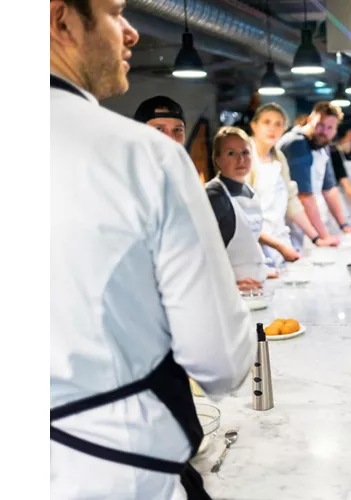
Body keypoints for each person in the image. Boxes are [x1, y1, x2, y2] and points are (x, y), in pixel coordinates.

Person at [50, 1, 254, 498]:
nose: (132, 32)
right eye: (115, 12)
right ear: (61, 20)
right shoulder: (142, 155)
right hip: (120, 471)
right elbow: (221, 361)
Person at [248, 103, 334, 269]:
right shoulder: (245, 157)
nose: (272, 128)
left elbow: (292, 201)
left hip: (281, 242)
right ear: (254, 125)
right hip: (254, 247)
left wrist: (316, 238)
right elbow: (242, 217)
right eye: (266, 122)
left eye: (278, 124)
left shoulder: (279, 157)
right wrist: (279, 247)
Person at [279, 101, 351, 243]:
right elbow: (304, 196)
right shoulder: (297, 143)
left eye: (330, 128)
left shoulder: (321, 144)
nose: (324, 131)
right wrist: (323, 237)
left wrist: (343, 225)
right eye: (320, 125)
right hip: (294, 227)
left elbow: (329, 189)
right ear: (310, 120)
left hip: (313, 228)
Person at [206, 127, 267, 291]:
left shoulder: (249, 190)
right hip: (227, 292)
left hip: (255, 287)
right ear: (217, 159)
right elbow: (199, 252)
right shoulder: (214, 196)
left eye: (245, 152)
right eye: (231, 153)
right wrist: (228, 285)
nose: (241, 160)